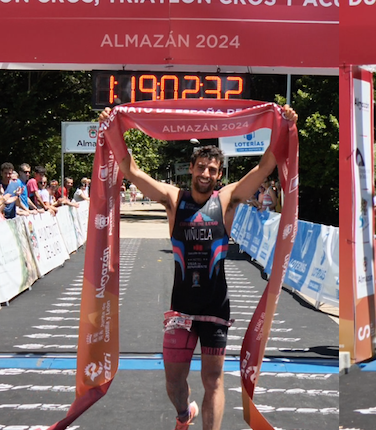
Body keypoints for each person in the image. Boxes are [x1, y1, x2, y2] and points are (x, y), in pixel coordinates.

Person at [99, 104, 297, 430]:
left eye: (212, 170)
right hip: (181, 311)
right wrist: (112, 129)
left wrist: (285, 127)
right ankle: (183, 412)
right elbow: (132, 171)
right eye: (201, 167)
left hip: (216, 310)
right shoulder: (174, 200)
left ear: (219, 175)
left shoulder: (228, 199)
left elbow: (265, 167)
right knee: (174, 382)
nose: (206, 174)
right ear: (191, 168)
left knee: (213, 380)